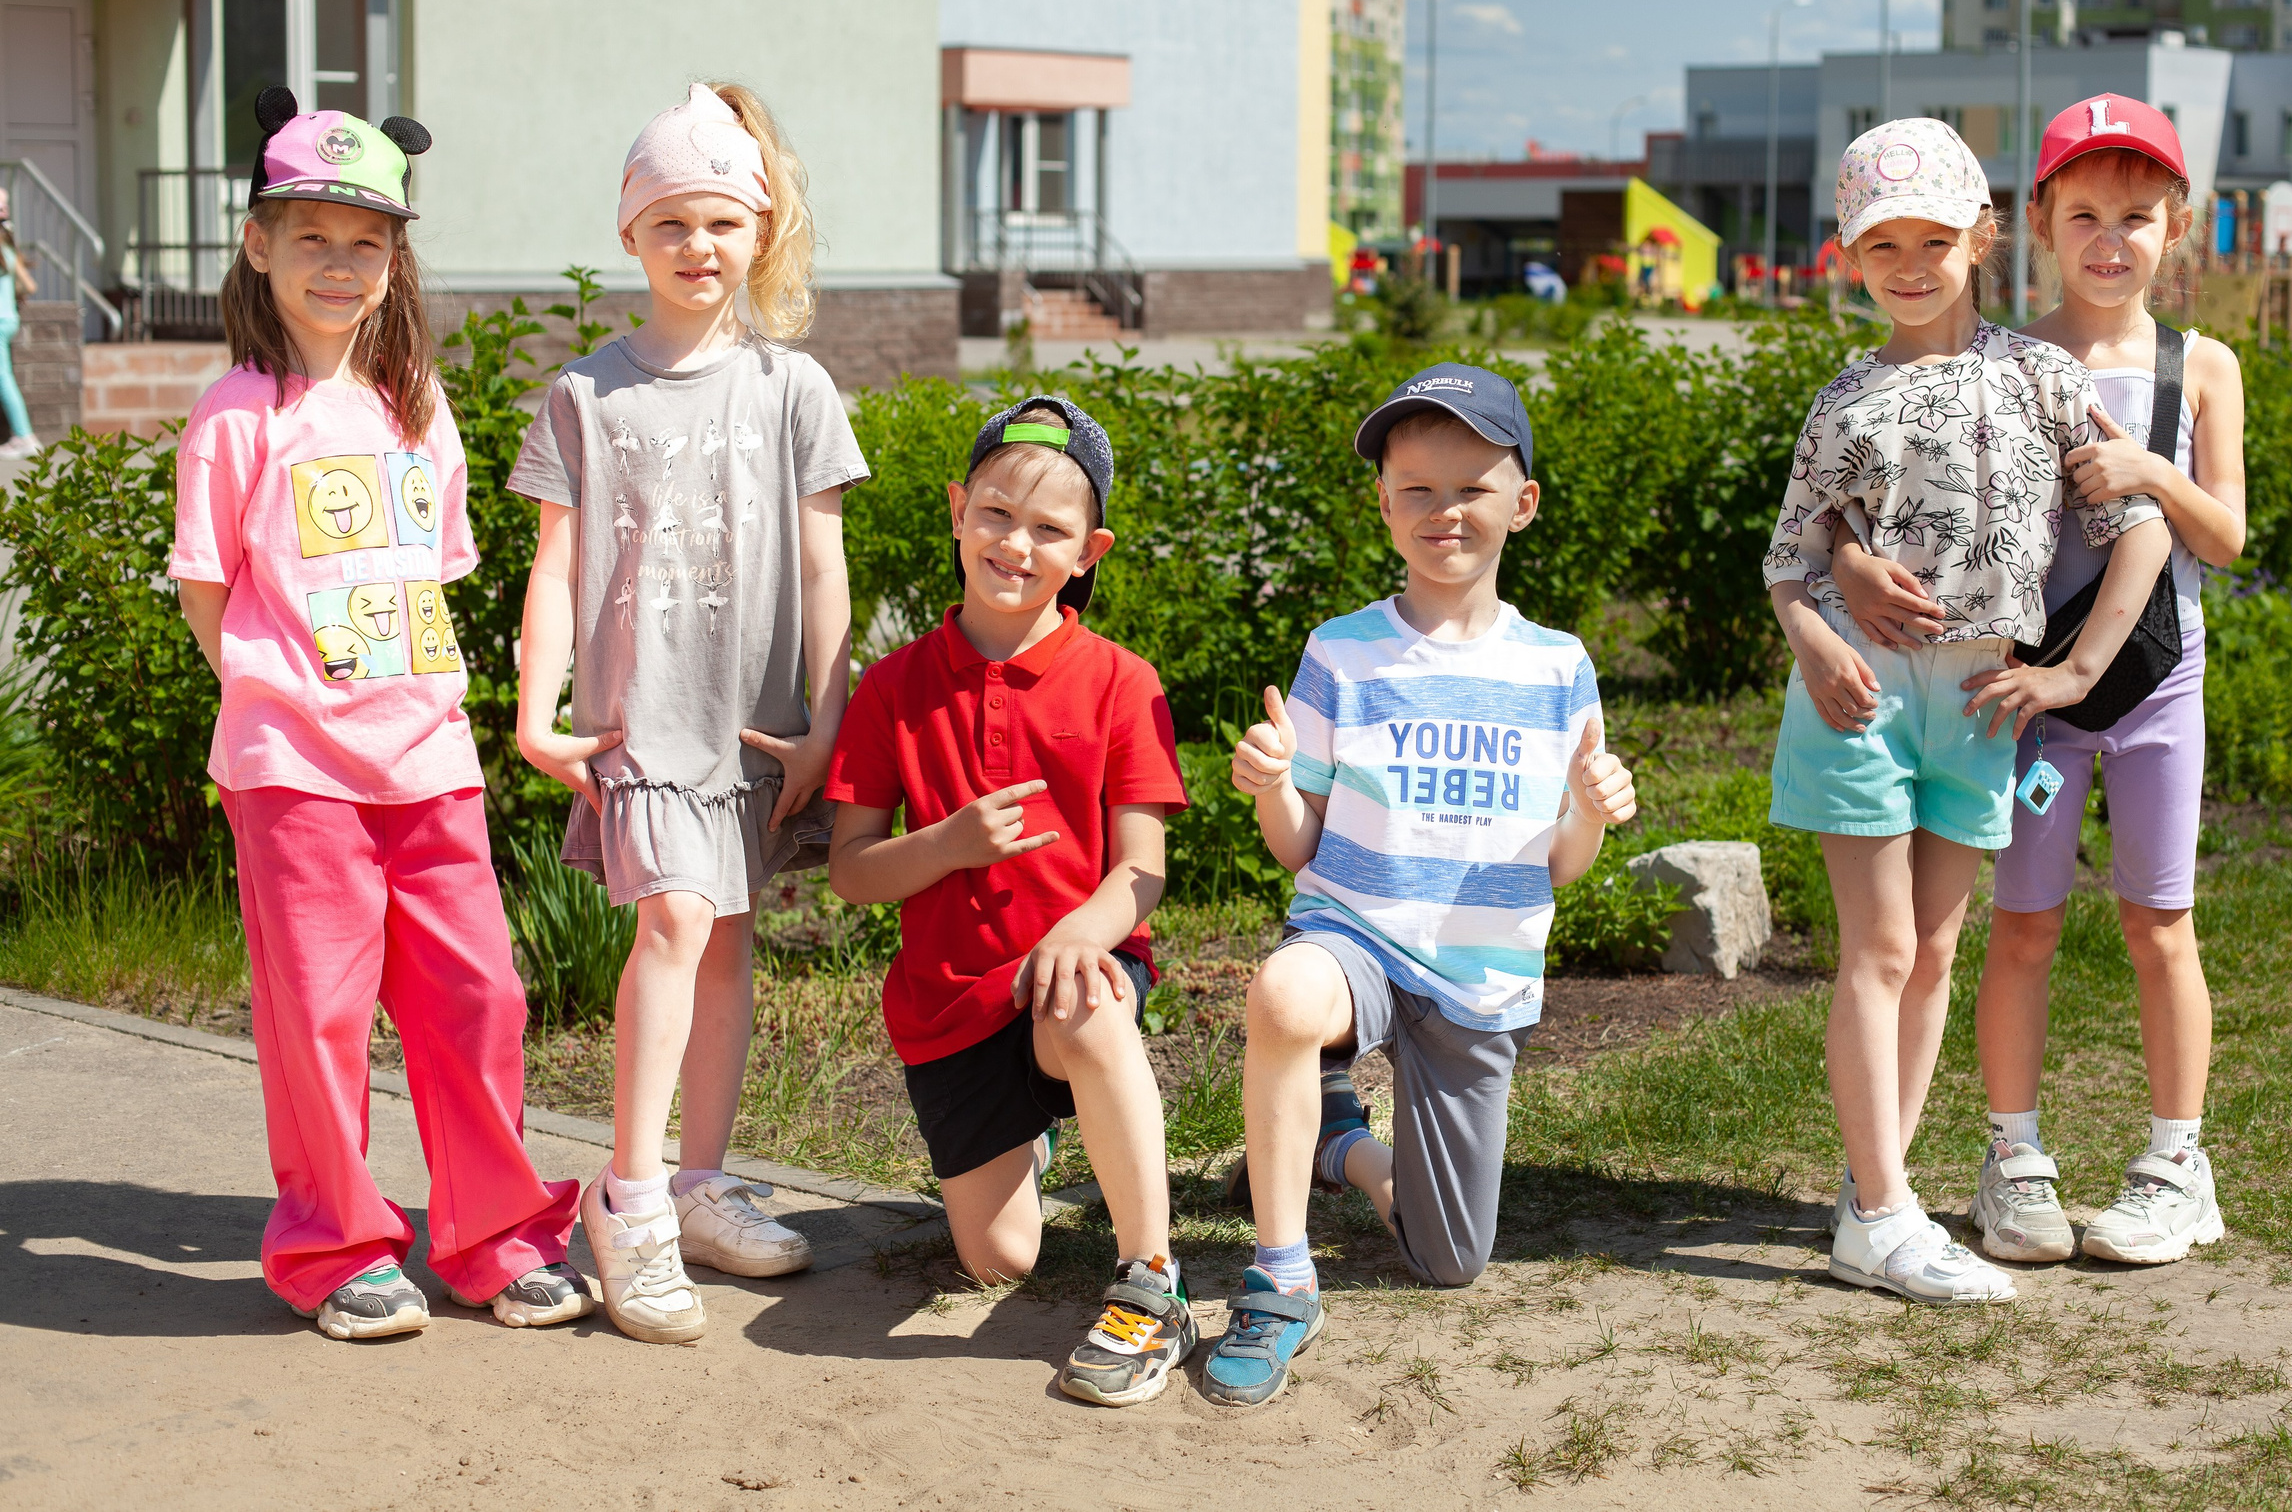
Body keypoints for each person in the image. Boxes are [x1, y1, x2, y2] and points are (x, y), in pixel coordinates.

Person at [168, 88, 587, 1341]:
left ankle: (492, 1238)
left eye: (366, 241)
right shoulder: (236, 412)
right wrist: (276, 699)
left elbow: (429, 576)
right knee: (320, 1017)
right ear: (259, 244)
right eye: (312, 236)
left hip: (430, 759)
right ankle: (336, 1247)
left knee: (481, 1002)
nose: (339, 264)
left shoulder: (416, 404)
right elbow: (207, 589)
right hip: (294, 769)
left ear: (395, 260)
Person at [1762, 118, 2170, 1305]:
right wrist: (1818, 635)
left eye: (1933, 240)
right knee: (1881, 948)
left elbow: (2138, 529)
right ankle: (1885, 1214)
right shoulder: (1843, 401)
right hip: (1861, 693)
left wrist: (2074, 674)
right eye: (1881, 245)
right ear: (1849, 256)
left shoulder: (2044, 379)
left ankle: (1871, 1198)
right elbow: (1788, 563)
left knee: (1934, 950)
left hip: (1986, 702)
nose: (1909, 265)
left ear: (1982, 237)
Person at [1830, 97, 2244, 1266]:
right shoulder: (2009, 361)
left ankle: (2176, 1166)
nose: (2110, 241)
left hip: (2156, 690)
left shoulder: (2201, 366)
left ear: (2176, 227)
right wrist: (1851, 564)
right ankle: (2013, 1157)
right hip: (2025, 705)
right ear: (2040, 224)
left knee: (2160, 924)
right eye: (2085, 216)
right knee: (2022, 928)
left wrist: (2151, 471)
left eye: (2136, 217)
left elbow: (2223, 538)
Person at [1210, 365, 1640, 1408]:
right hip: (1355, 935)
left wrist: (1590, 809)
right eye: (1417, 489)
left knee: (1448, 1261)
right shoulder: (1341, 652)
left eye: (1470, 488)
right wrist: (1273, 786)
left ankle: (1341, 1142)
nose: (1443, 511)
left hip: (1478, 978)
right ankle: (1280, 1277)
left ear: (1521, 503)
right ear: (1384, 503)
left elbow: (1559, 865)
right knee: (1284, 994)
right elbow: (1299, 847)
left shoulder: (1558, 667)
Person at [510, 83, 864, 1344]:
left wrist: (828, 720)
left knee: (724, 945)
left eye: (720, 221)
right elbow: (554, 566)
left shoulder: (794, 388)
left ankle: (703, 1185)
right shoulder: (585, 396)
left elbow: (824, 565)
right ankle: (630, 1199)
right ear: (630, 234)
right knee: (671, 923)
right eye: (670, 221)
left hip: (751, 729)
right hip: (638, 727)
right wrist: (535, 710)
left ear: (757, 232)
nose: (697, 245)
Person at [824, 395, 1195, 1408]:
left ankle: (1151, 1280)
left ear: (1087, 552)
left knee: (1085, 999)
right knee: (998, 1261)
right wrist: (945, 845)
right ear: (958, 510)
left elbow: (1143, 870)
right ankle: (1036, 1135)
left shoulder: (1121, 681)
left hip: (1075, 970)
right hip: (950, 1002)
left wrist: (1082, 931)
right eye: (995, 513)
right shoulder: (892, 687)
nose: (1015, 545)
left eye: (1048, 529)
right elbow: (852, 871)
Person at [0, 188, 37, 457]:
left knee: (3, 379)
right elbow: (30, 286)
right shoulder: (8, 250)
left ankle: (24, 436)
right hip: (9, 317)